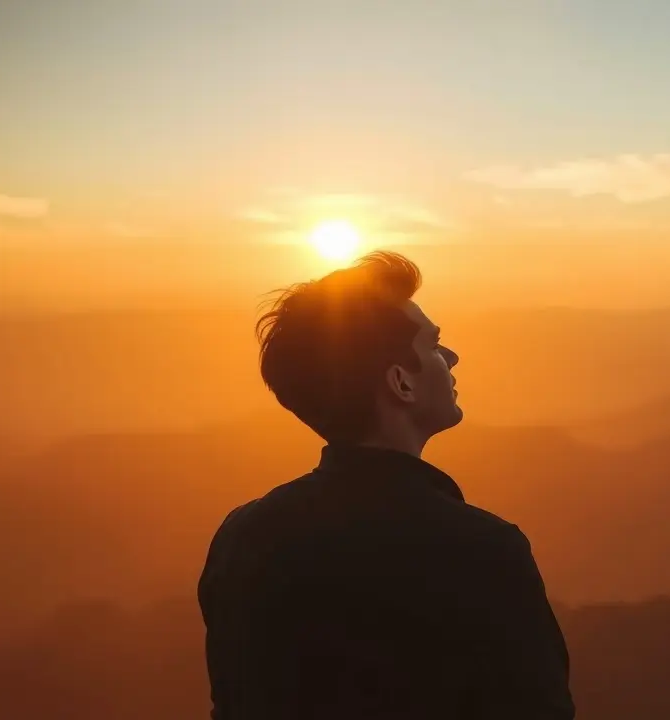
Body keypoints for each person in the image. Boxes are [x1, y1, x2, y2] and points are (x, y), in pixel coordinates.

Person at [197, 251, 575, 719]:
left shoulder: (242, 539)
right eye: (434, 346)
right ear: (401, 384)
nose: (452, 357)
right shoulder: (482, 552)